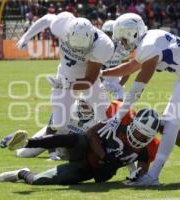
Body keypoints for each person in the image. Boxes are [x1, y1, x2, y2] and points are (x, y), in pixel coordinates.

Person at [98, 13, 180, 186]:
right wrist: (102, 73)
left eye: (123, 39)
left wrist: (118, 117)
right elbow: (130, 67)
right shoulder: (148, 41)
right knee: (164, 126)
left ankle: (153, 176)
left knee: (169, 124)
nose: (122, 43)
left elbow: (136, 89)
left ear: (132, 33)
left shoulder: (148, 45)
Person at [16, 12, 114, 145]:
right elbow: (46, 19)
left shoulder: (102, 45)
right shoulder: (62, 25)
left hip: (87, 81)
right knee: (60, 122)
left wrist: (66, 85)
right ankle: (54, 137)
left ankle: (111, 149)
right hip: (65, 75)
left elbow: (89, 81)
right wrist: (26, 37)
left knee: (107, 117)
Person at [0, 106, 161, 185]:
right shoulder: (122, 119)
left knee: (39, 181)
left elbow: (141, 172)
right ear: (132, 124)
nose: (140, 137)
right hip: (87, 149)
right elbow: (91, 134)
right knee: (76, 139)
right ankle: (29, 142)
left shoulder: (150, 147)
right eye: (139, 132)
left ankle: (21, 173)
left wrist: (136, 178)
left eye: (145, 135)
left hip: (91, 169)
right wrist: (105, 155)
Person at [0, 98, 96, 160]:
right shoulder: (67, 109)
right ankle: (13, 139)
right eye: (83, 104)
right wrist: (52, 154)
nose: (85, 108)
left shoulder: (98, 119)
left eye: (88, 105)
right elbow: (51, 130)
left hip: (69, 142)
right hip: (54, 133)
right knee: (24, 154)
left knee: (67, 156)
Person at [101, 20, 130, 101]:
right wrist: (102, 81)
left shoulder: (123, 48)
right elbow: (91, 68)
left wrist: (120, 85)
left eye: (111, 34)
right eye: (107, 34)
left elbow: (127, 70)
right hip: (98, 77)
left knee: (121, 102)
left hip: (115, 78)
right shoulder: (99, 46)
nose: (109, 37)